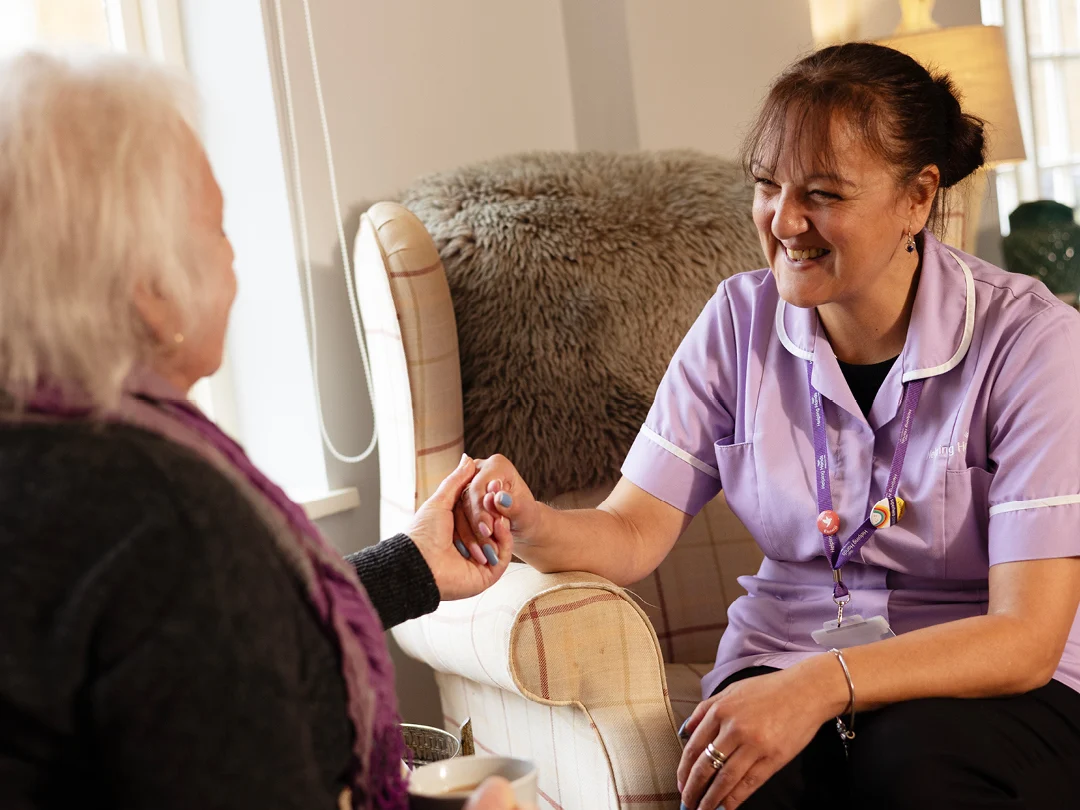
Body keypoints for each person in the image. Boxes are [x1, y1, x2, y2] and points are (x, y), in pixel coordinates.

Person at [457, 42, 1080, 810]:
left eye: (822, 193)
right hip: (785, 650)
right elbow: (631, 532)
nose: (784, 221)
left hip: (986, 675)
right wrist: (528, 519)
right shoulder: (735, 323)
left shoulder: (1034, 343)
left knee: (916, 768)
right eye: (765, 185)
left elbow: (1026, 636)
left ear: (918, 198)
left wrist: (821, 688)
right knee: (745, 783)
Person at [0, 51, 519, 810]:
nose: (234, 255)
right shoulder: (170, 515)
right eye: (216, 228)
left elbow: (209, 649)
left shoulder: (43, 454)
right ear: (149, 290)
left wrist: (411, 565)